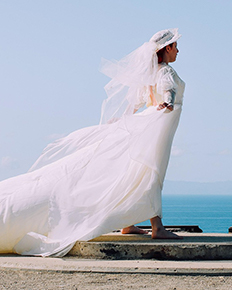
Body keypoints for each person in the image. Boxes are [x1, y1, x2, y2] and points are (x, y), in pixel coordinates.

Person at [0, 28, 185, 257]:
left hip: (148, 123)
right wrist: (166, 103)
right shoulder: (166, 71)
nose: (178, 50)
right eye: (175, 46)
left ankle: (128, 223)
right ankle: (157, 227)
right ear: (167, 48)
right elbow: (169, 93)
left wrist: (127, 119)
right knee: (151, 171)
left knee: (135, 170)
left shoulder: (149, 74)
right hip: (157, 125)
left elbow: (136, 102)